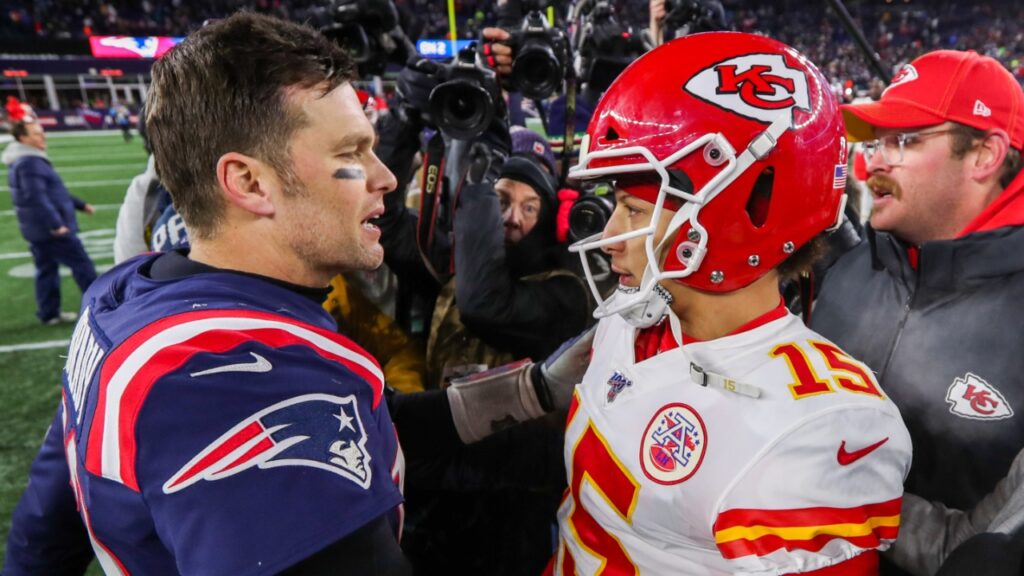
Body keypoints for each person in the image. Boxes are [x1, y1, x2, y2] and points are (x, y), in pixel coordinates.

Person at [4, 13, 412, 575]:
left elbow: (42, 536)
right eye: (351, 153)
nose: (384, 175)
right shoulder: (239, 382)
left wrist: (521, 394)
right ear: (249, 182)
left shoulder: (123, 296)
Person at [552, 32, 911, 574]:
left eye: (632, 208)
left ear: (736, 213)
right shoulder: (631, 320)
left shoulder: (821, 424)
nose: (610, 235)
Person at [811, 49, 1024, 575]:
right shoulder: (851, 266)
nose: (872, 162)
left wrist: (820, 488)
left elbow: (985, 549)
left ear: (983, 156)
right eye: (877, 141)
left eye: (903, 141)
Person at [2, 119, 98, 325]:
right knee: (82, 265)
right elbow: (36, 197)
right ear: (23, 138)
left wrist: (80, 205)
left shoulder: (25, 160)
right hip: (50, 230)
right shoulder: (29, 162)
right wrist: (56, 224)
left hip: (37, 230)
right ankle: (101, 308)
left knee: (47, 270)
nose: (42, 136)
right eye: (36, 133)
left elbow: (55, 193)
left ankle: (49, 313)